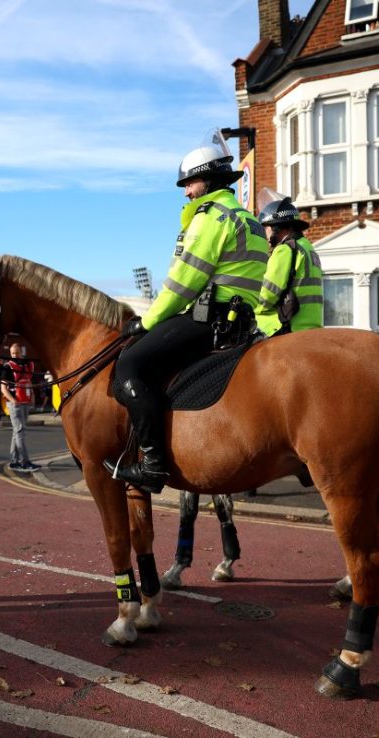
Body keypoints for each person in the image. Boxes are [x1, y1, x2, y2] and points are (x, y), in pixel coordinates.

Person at [102, 132, 268, 494]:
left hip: (209, 320)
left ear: (208, 179)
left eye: (189, 182)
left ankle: (153, 464)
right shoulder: (247, 218)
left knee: (131, 363)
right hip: (240, 321)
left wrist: (145, 322)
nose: (186, 192)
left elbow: (182, 285)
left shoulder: (211, 218)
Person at [254, 189, 324, 336]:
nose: (264, 235)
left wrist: (251, 305)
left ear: (275, 227)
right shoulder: (307, 248)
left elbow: (268, 294)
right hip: (312, 326)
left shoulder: (285, 250)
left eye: (265, 228)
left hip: (286, 327)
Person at [0, 343, 39, 472]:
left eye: (16, 353)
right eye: (12, 353)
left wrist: (32, 396)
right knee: (20, 431)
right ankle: (24, 462)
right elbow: (3, 388)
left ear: (21, 353)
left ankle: (14, 461)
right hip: (14, 403)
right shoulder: (7, 367)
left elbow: (29, 381)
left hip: (26, 401)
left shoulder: (28, 365)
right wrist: (13, 400)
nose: (14, 355)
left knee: (17, 432)